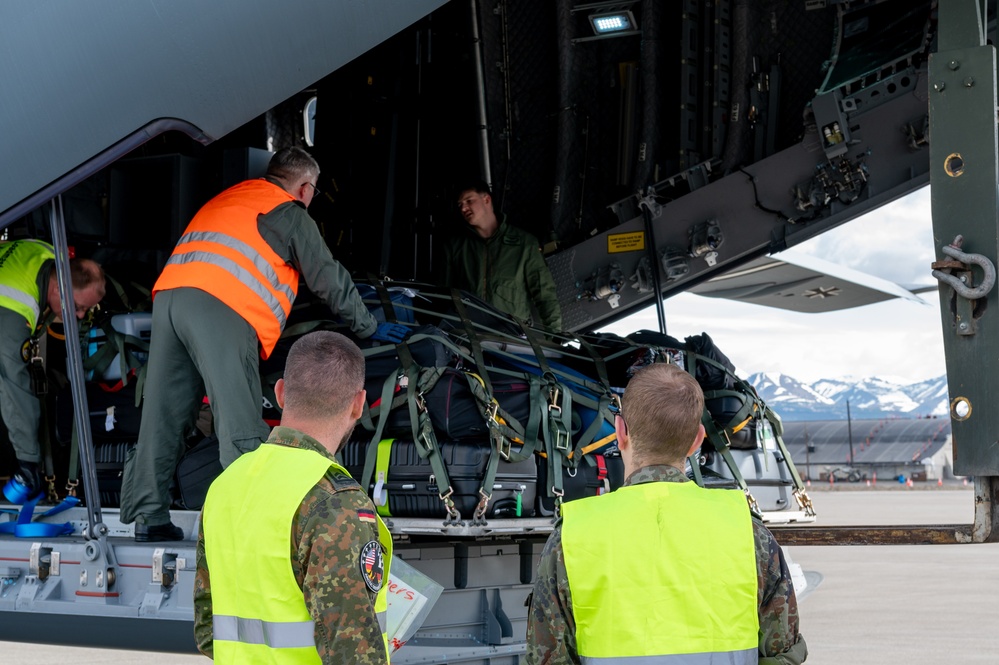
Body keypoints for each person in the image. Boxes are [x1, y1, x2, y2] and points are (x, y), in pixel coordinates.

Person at [119, 146, 408, 541]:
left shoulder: (232, 197)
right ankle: (252, 525)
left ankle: (149, 517)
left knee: (163, 415)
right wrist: (367, 325)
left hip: (169, 297)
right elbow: (327, 276)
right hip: (220, 305)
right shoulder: (288, 212)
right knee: (238, 416)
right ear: (305, 188)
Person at [526, 362, 808, 665]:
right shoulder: (749, 534)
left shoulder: (571, 538)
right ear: (697, 440)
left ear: (620, 432)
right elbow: (783, 654)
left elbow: (548, 658)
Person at [194, 331, 392, 663]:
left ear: (281, 392)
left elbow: (206, 631)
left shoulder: (225, 485)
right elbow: (353, 653)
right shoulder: (334, 502)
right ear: (358, 405)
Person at [0, 239, 104, 499]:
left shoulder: (48, 252)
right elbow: (15, 387)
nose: (80, 316)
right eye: (79, 307)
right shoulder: (14, 310)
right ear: (58, 289)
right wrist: (28, 462)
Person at [443, 179, 563, 331]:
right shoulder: (456, 247)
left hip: (511, 340)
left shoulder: (524, 244)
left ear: (486, 199)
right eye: (460, 204)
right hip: (469, 339)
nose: (463, 208)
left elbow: (545, 295)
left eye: (469, 201)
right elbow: (444, 295)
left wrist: (555, 340)